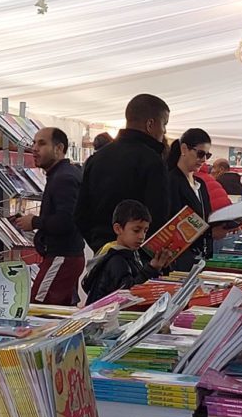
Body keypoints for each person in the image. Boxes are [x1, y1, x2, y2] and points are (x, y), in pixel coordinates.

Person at [74, 94, 172, 253]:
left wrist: (101, 246)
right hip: (136, 259)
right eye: (164, 124)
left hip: (101, 253)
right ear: (150, 124)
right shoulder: (152, 161)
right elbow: (158, 215)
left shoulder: (97, 158)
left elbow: (80, 214)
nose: (164, 131)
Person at [13, 127, 84, 305]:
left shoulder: (63, 178)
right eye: (34, 143)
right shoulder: (62, 174)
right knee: (56, 310)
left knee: (38, 307)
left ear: (59, 149)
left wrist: (35, 222)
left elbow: (67, 220)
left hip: (62, 256)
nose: (34, 148)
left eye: (42, 143)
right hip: (65, 256)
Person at [81, 200, 173, 303]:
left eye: (145, 231)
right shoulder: (116, 260)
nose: (141, 236)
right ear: (118, 229)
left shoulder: (134, 254)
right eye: (136, 230)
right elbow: (129, 294)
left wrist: (161, 266)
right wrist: (152, 268)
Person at [165, 126, 220, 271]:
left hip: (201, 256)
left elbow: (205, 217)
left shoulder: (200, 184)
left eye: (207, 156)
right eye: (200, 153)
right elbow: (173, 222)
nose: (203, 160)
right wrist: (208, 231)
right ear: (184, 149)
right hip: (180, 259)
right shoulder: (171, 181)